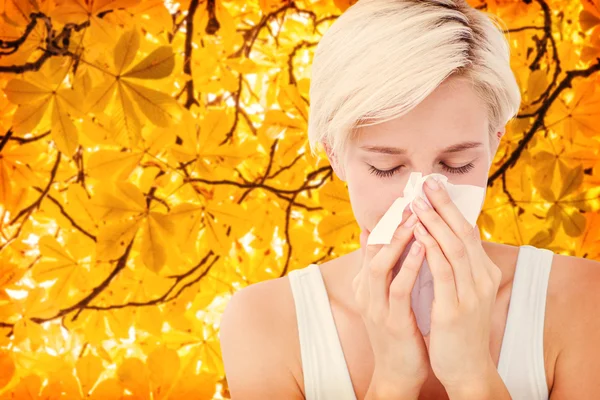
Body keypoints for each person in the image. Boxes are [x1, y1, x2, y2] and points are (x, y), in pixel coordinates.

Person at [219, 0, 600, 399]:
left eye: (456, 164)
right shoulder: (263, 321)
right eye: (386, 167)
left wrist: (471, 373)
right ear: (334, 154)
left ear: (495, 144)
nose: (423, 200)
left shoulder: (581, 299)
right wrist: (394, 377)